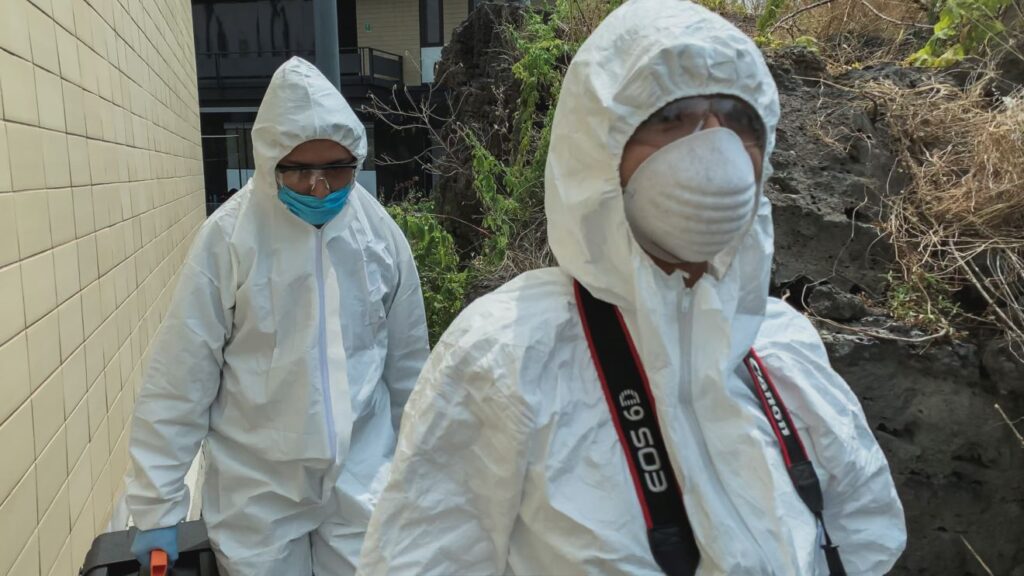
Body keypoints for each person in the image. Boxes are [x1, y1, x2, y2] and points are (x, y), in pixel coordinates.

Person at [358, 1, 906, 574]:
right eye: (672, 118)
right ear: (598, 149)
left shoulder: (781, 344)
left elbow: (864, 536)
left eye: (740, 121)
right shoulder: (511, 352)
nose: (714, 144)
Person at [125, 57, 429, 576]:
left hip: (361, 476)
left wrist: (422, 473)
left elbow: (409, 369)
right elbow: (181, 377)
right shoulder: (230, 239)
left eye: (335, 169)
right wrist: (157, 506)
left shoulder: (378, 236)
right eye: (299, 170)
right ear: (270, 164)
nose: (319, 187)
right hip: (257, 492)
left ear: (356, 159)